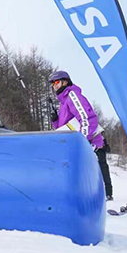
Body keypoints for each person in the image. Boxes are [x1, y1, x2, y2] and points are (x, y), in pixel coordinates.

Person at [48, 70, 114, 201]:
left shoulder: (72, 95)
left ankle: (106, 196)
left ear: (65, 82)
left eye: (56, 82)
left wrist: (83, 142)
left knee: (96, 173)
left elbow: (87, 119)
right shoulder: (63, 103)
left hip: (90, 144)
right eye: (52, 84)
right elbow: (63, 129)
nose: (54, 86)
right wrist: (55, 118)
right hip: (77, 145)